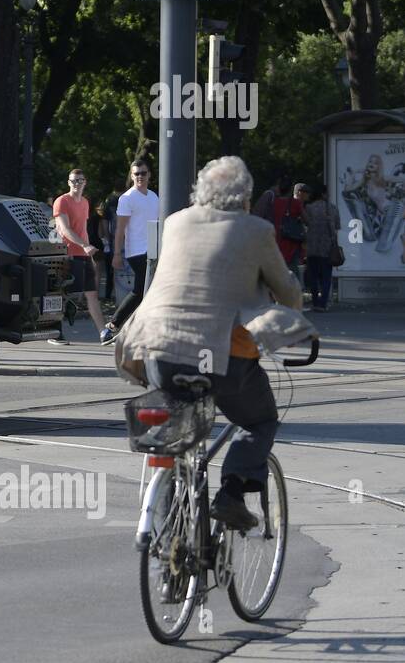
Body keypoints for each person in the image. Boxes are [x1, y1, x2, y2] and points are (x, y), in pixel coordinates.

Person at [114, 156, 312, 531]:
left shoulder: (175, 223)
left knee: (180, 419)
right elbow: (288, 292)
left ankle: (172, 534)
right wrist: (290, 313)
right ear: (246, 199)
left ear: (199, 194)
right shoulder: (254, 230)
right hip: (219, 356)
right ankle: (232, 494)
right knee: (259, 419)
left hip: (153, 349)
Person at [49, 169, 108, 344]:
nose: (76, 184)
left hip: (82, 253)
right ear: (68, 182)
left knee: (91, 294)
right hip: (67, 254)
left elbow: (83, 229)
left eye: (80, 181)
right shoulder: (62, 202)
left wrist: (87, 250)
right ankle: (56, 332)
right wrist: (85, 245)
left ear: (85, 182)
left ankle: (104, 333)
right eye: (73, 181)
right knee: (65, 294)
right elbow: (65, 229)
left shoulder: (85, 203)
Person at [106, 161, 159, 338]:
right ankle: (115, 325)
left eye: (143, 173)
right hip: (136, 250)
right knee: (142, 290)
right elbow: (120, 229)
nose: (140, 177)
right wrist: (116, 254)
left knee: (145, 290)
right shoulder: (127, 198)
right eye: (136, 174)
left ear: (149, 175)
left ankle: (122, 326)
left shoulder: (154, 197)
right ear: (131, 175)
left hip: (153, 249)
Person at [302, 183, 339, 311]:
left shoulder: (308, 208)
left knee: (313, 277)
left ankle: (315, 302)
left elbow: (305, 225)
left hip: (312, 246)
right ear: (324, 194)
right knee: (326, 277)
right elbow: (337, 228)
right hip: (327, 247)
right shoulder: (333, 208)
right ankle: (323, 304)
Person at [272, 182, 308, 287]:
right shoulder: (295, 203)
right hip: (291, 241)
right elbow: (307, 220)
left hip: (276, 240)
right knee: (293, 271)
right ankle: (292, 298)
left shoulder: (274, 202)